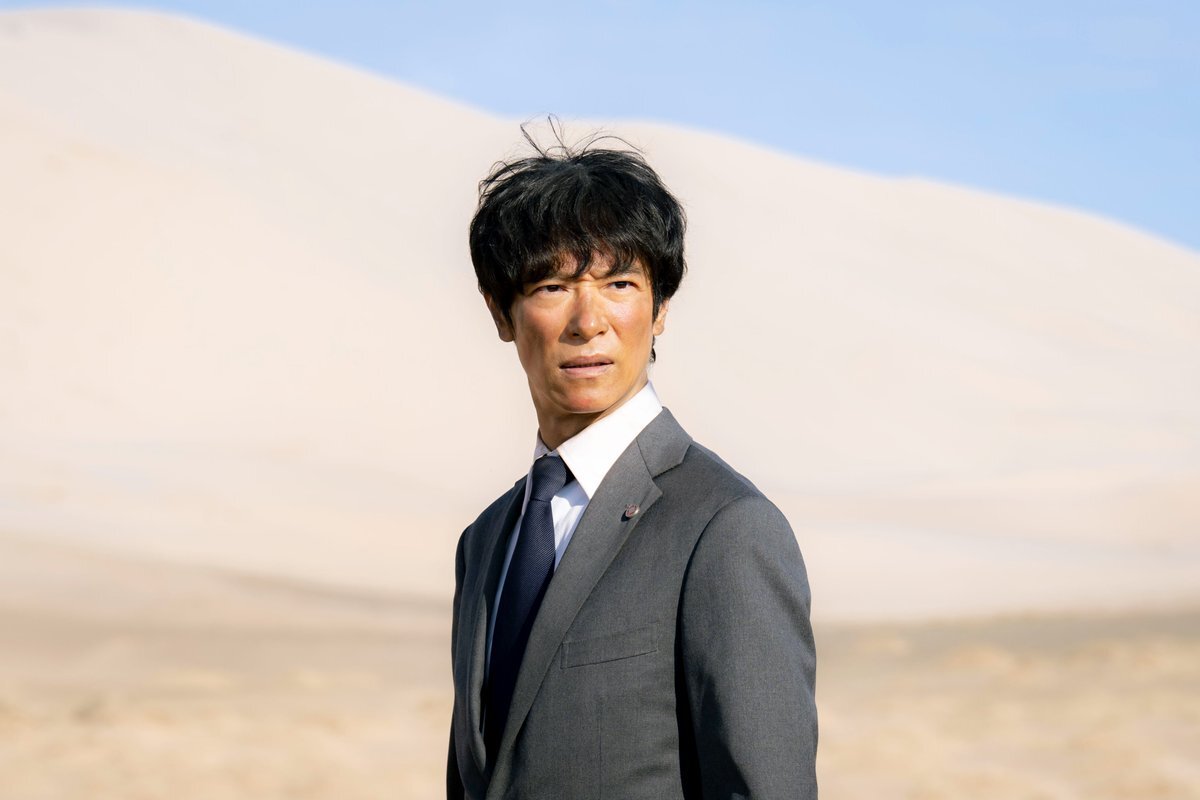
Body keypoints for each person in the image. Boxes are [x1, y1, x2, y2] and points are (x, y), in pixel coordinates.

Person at [447, 131, 818, 799]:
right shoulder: (486, 541)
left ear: (661, 307)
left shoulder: (724, 528)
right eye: (552, 285)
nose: (588, 321)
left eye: (620, 283)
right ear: (501, 312)